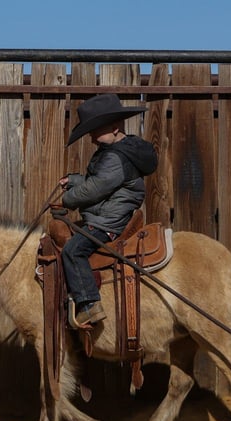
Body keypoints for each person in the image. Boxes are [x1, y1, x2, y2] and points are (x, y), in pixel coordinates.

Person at [59, 93, 158, 327]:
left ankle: (89, 305)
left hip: (108, 222)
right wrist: (73, 180)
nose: (91, 137)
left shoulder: (115, 157)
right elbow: (99, 180)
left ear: (114, 128)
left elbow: (94, 189)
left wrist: (67, 200)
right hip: (108, 214)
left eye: (95, 131)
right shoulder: (118, 151)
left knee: (73, 251)